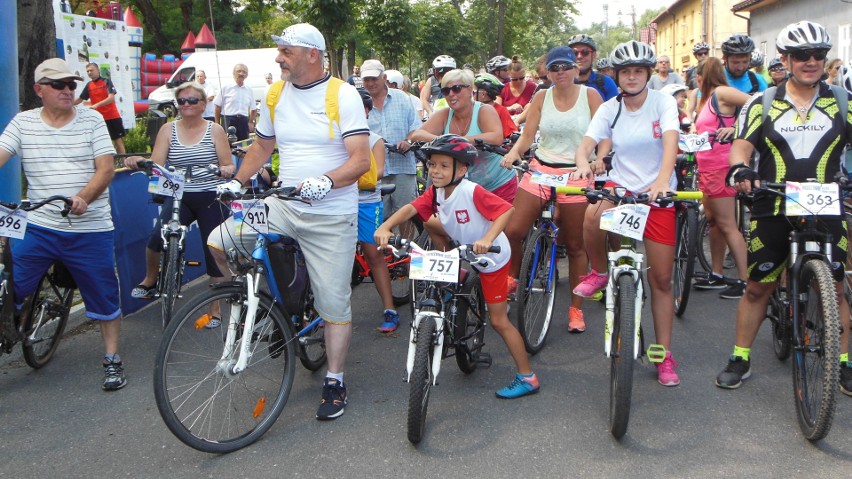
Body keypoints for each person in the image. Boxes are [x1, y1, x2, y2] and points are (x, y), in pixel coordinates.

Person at [215, 23, 371, 420]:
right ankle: (263, 305)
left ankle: (334, 379)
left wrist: (326, 181)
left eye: (285, 50)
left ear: (312, 55)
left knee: (334, 303)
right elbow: (263, 146)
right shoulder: (274, 94)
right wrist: (237, 181)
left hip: (331, 214)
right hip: (282, 203)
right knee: (222, 240)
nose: (278, 57)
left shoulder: (344, 94)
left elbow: (360, 160)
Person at [715, 21, 852, 393]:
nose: (811, 61)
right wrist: (740, 167)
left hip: (826, 202)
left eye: (818, 55)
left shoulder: (842, 101)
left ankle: (843, 361)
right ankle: (740, 357)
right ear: (785, 59)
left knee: (836, 286)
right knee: (759, 287)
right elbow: (742, 145)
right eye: (801, 55)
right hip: (773, 201)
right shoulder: (763, 102)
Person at [374, 134, 540, 399]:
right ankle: (456, 279)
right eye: (432, 165)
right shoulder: (436, 192)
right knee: (430, 227)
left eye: (443, 165)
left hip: (492, 259)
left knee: (498, 320)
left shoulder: (470, 191)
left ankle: (527, 376)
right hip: (465, 247)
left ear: (461, 170)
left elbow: (506, 211)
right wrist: (385, 226)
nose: (435, 171)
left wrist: (487, 239)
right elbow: (411, 208)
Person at [0, 58, 126, 390]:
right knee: (10, 284)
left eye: (72, 84)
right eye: (59, 85)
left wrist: (83, 197)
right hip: (39, 223)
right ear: (39, 89)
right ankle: (12, 326)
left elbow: (106, 169)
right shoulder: (23, 122)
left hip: (89, 227)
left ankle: (112, 358)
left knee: (103, 294)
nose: (68, 90)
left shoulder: (93, 119)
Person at [572, 41, 683, 386]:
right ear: (617, 76)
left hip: (657, 193)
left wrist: (663, 182)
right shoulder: (610, 108)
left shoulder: (662, 102)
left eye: (638, 71)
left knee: (661, 280)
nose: (632, 77)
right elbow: (587, 144)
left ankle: (663, 354)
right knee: (591, 216)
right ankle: (601, 271)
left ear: (648, 74)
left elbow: (670, 141)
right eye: (625, 72)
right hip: (621, 186)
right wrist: (581, 165)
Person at [499, 46, 605, 333]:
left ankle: (575, 308)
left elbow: (604, 132)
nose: (561, 73)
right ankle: (513, 278)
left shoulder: (590, 96)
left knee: (574, 245)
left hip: (576, 171)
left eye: (566, 67)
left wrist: (600, 159)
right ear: (547, 72)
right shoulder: (541, 96)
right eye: (555, 68)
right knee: (514, 230)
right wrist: (514, 153)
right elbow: (528, 135)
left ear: (576, 69)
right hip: (541, 169)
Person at [123, 81, 234, 326]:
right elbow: (158, 162)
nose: (186, 105)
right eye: (181, 101)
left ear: (203, 104)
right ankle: (150, 279)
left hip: (208, 194)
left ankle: (215, 309)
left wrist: (224, 171)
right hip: (179, 194)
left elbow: (229, 164)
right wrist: (140, 161)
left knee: (213, 249)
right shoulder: (167, 129)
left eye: (192, 100)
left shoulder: (214, 130)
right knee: (156, 237)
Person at [359, 59, 420, 331]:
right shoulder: (359, 103)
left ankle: (405, 262)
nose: (371, 83)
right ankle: (383, 260)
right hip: (374, 173)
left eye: (374, 78)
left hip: (403, 166)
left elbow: (416, 128)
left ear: (384, 77)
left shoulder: (404, 100)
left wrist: (410, 140)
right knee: (380, 219)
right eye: (367, 79)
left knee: (405, 213)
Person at [688, 58, 750, 298]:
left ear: (704, 75)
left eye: (697, 76)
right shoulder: (706, 99)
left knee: (727, 224)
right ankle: (717, 273)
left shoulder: (722, 93)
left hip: (721, 167)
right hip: (706, 167)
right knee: (714, 222)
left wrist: (737, 130)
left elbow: (758, 105)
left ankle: (745, 281)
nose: (696, 81)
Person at [409, 68, 518, 205]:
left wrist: (458, 141)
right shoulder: (444, 114)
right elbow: (417, 135)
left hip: (498, 184)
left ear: (470, 89)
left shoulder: (484, 110)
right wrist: (446, 141)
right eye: (446, 91)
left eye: (456, 89)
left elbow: (496, 137)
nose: (451, 94)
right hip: (467, 188)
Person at [352, 87, 398, 333]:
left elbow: (378, 171)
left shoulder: (374, 139)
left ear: (367, 111)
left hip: (367, 202)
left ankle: (389, 309)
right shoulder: (336, 136)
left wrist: (348, 176)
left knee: (373, 254)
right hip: (340, 203)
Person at [75, 62, 126, 154]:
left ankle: (124, 162)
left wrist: (96, 105)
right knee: (103, 143)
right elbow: (80, 99)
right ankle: (110, 164)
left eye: (92, 70)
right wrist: (66, 104)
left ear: (98, 70)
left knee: (118, 141)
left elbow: (111, 98)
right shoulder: (89, 85)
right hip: (99, 119)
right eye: (88, 71)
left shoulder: (106, 81)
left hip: (112, 116)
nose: (90, 72)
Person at [214, 63, 257, 141]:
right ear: (233, 73)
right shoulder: (225, 87)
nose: (241, 74)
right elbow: (217, 106)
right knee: (227, 144)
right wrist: (217, 124)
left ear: (247, 75)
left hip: (243, 121)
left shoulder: (249, 90)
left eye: (244, 72)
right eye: (239, 71)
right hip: (228, 120)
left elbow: (253, 109)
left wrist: (251, 122)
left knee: (243, 145)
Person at [568, 34, 619, 101]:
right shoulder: (560, 81)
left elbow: (615, 110)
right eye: (574, 53)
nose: (579, 56)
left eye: (585, 52)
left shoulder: (606, 83)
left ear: (594, 55)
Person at [473, 72, 518, 138]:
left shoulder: (501, 110)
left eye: (474, 92)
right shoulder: (471, 109)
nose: (472, 95)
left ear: (483, 94)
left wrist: (514, 136)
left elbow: (511, 132)